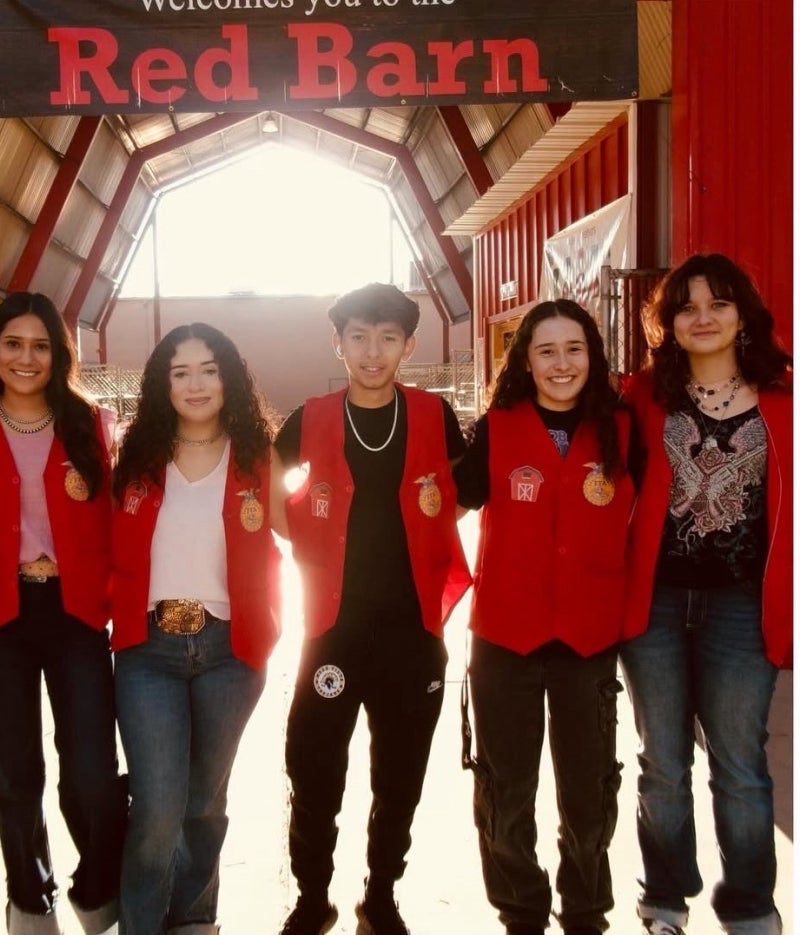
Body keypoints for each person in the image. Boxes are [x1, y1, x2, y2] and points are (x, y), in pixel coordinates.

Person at [275, 283, 470, 935]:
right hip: (334, 632)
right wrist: (303, 535)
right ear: (339, 341)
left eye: (388, 337)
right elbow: (263, 486)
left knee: (401, 772)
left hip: (414, 632)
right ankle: (312, 895)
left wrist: (435, 532)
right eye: (358, 335)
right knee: (314, 762)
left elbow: (466, 485)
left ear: (409, 344)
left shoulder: (434, 415)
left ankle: (380, 892)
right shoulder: (311, 415)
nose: (372, 350)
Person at [620, 254, 792, 935]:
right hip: (654, 602)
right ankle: (664, 901)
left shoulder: (783, 399)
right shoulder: (641, 395)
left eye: (716, 304)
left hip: (742, 606)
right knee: (662, 759)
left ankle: (749, 906)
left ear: (742, 313)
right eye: (685, 306)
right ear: (668, 323)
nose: (701, 317)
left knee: (739, 761)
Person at [453, 299, 635, 935]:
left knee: (589, 790)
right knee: (506, 789)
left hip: (589, 636)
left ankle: (585, 911)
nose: (562, 364)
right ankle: (521, 911)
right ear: (524, 362)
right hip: (506, 634)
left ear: (594, 354)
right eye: (546, 351)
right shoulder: (493, 430)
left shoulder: (623, 429)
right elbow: (434, 505)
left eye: (574, 349)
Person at [0, 292, 125, 935]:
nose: (26, 358)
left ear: (59, 353)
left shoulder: (92, 424)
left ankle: (100, 886)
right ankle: (30, 897)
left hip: (76, 613)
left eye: (41, 345)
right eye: (13, 344)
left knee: (91, 770)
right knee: (15, 767)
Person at [109, 322, 281, 935]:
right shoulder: (134, 456)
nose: (196, 384)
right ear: (163, 384)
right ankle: (140, 924)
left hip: (230, 651)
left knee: (205, 805)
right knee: (157, 808)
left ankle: (194, 920)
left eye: (209, 368)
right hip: (147, 651)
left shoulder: (259, 457)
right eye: (180, 372)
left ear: (229, 377)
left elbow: (320, 527)